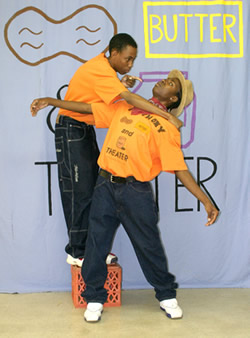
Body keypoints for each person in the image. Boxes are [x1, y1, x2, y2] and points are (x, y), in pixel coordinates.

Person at [32, 69, 219, 322]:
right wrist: (52, 101)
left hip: (135, 191)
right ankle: (95, 298)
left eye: (172, 84)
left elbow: (180, 169)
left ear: (173, 99)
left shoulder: (167, 128)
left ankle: (166, 295)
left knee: (148, 245)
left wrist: (206, 201)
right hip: (105, 184)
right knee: (95, 244)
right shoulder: (125, 106)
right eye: (168, 78)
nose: (166, 81)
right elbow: (87, 108)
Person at [31, 33, 183, 268]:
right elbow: (126, 99)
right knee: (79, 192)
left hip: (81, 128)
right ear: (113, 53)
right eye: (128, 59)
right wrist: (165, 114)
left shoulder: (105, 69)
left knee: (89, 191)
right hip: (72, 128)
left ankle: (88, 250)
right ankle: (78, 251)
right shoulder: (100, 68)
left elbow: (95, 104)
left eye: (133, 60)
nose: (130, 65)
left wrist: (120, 86)